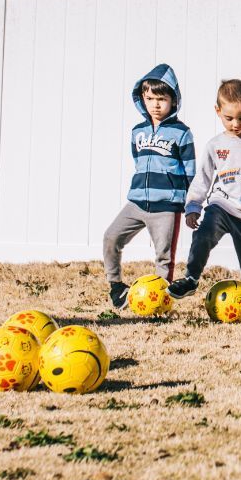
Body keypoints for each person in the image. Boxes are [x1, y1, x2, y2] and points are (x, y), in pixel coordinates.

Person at [168, 79, 241, 320]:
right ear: (218, 112)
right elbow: (202, 179)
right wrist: (193, 206)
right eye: (229, 118)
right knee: (202, 235)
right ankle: (191, 278)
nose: (235, 124)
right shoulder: (215, 145)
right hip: (220, 206)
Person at [103, 65, 194, 310]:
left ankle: (159, 303)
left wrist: (190, 204)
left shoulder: (182, 133)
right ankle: (116, 287)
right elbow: (138, 161)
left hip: (166, 206)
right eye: (150, 98)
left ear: (173, 100)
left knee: (164, 257)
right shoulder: (137, 132)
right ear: (142, 99)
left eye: (161, 99)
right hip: (136, 202)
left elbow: (190, 171)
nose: (155, 104)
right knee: (111, 237)